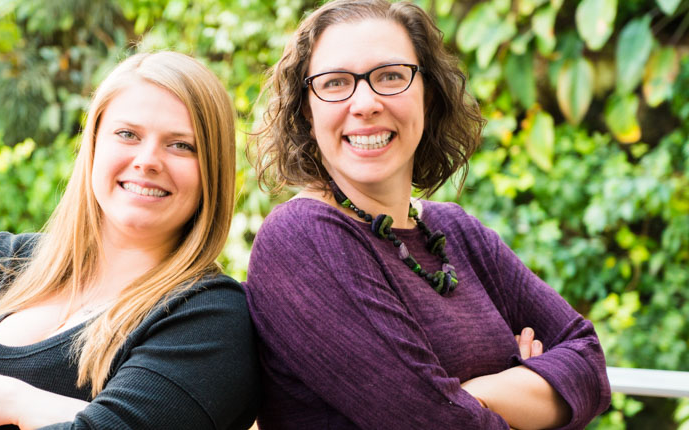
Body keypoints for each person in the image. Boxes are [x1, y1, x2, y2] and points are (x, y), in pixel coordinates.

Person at [0, 51, 260, 430]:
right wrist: (18, 404)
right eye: (128, 134)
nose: (148, 160)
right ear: (93, 145)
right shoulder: (7, 261)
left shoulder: (207, 317)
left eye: (181, 145)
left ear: (213, 171)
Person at [245, 0, 611, 428]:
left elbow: (588, 362)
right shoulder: (301, 240)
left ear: (428, 94)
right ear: (308, 110)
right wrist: (524, 390)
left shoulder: (457, 232)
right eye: (335, 82)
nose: (365, 103)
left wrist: (474, 397)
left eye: (391, 77)